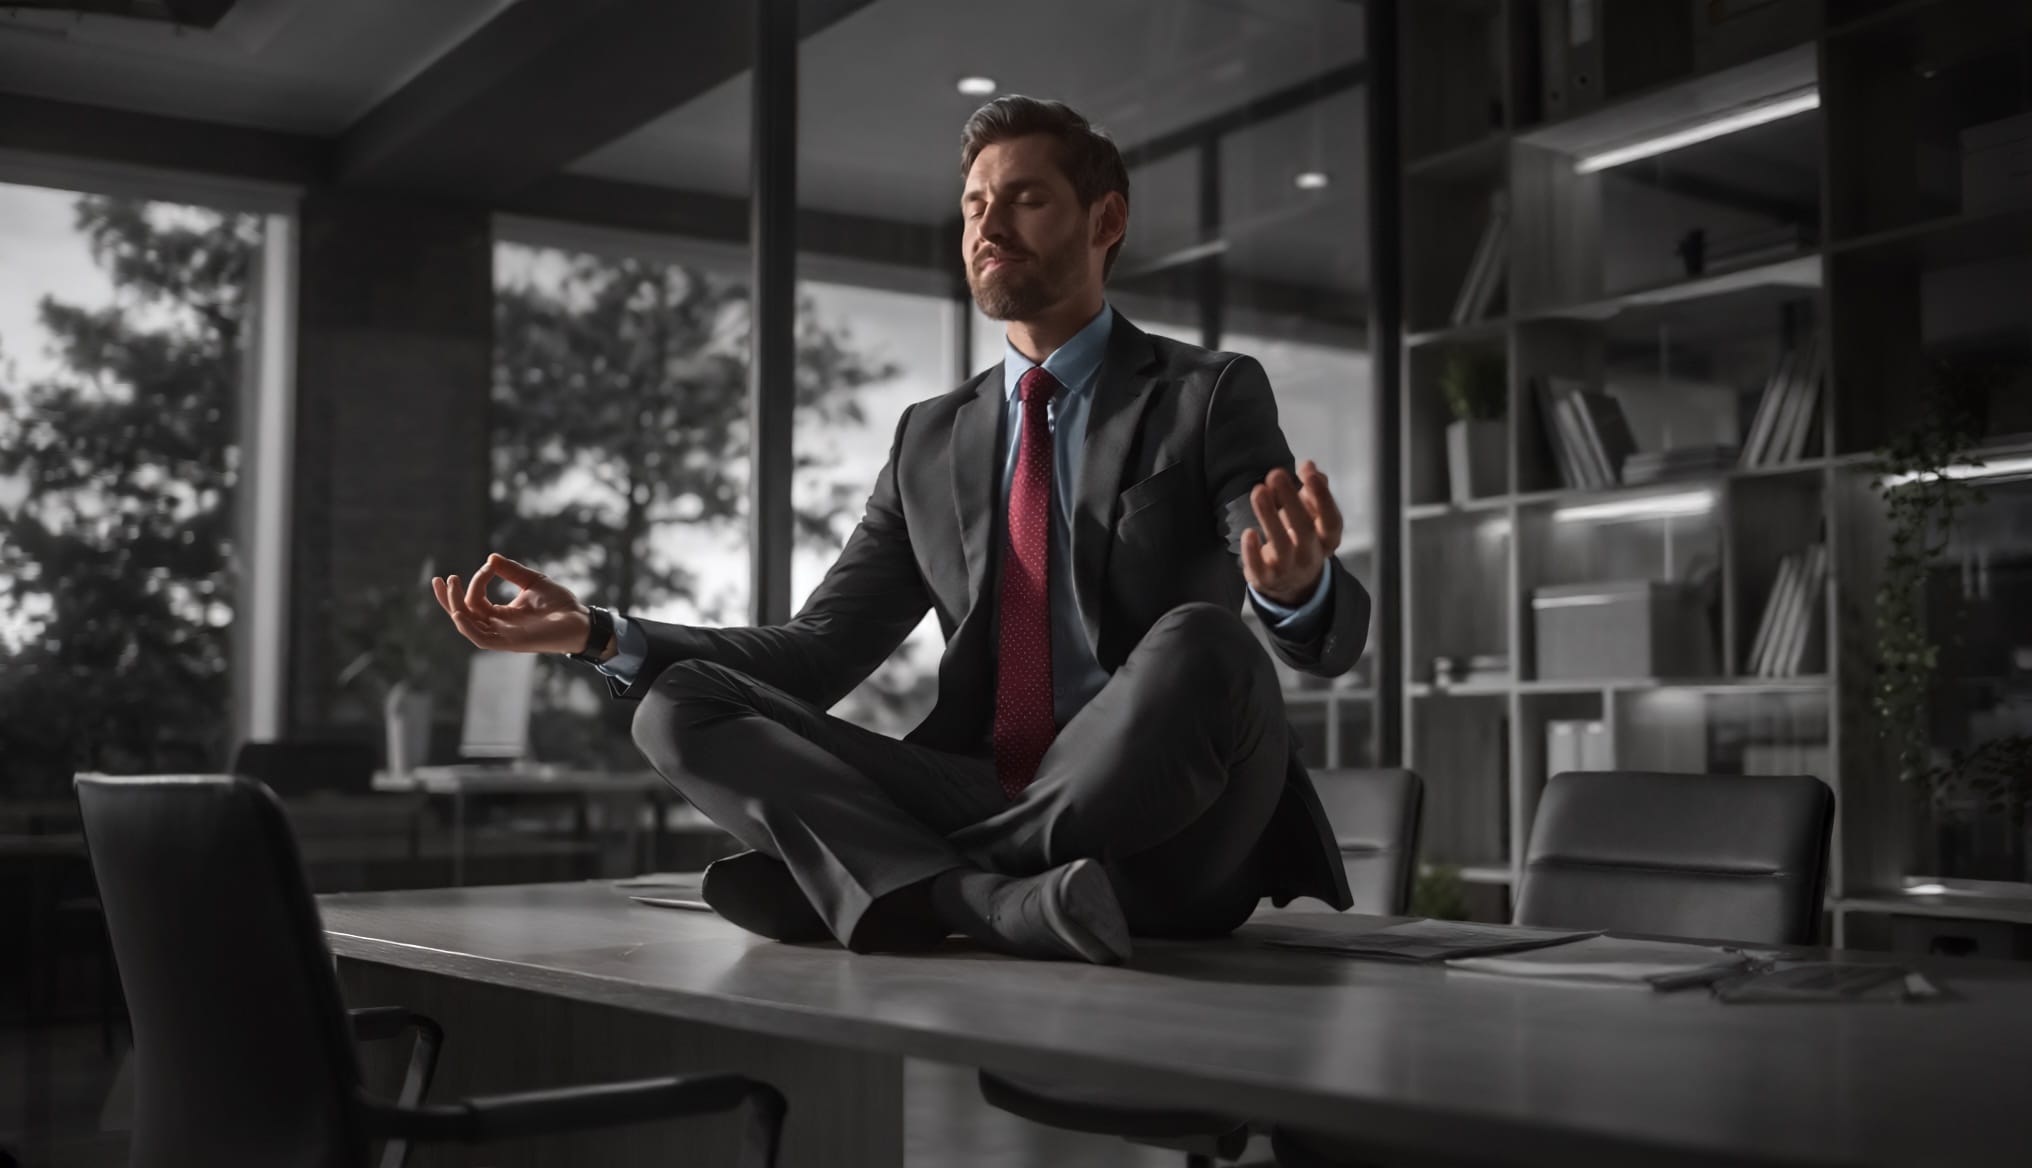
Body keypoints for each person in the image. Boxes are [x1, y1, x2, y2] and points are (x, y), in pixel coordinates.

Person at [433, 96, 1368, 965]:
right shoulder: (930, 437)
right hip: (978, 780)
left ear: (1105, 221)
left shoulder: (1206, 395)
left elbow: (1284, 576)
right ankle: (983, 900)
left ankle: (914, 881)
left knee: (1207, 641)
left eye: (1026, 200)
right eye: (972, 208)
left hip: (1167, 832)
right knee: (678, 702)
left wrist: (1293, 590)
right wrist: (600, 634)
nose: (988, 229)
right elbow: (819, 649)